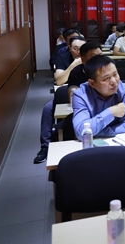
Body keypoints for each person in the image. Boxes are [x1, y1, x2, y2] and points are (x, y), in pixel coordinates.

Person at [34, 35, 88, 163]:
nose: (79, 52)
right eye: (75, 48)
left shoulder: (90, 58)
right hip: (66, 91)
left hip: (87, 93)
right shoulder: (63, 58)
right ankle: (45, 146)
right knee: (48, 108)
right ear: (69, 47)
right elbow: (59, 81)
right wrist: (73, 65)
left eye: (82, 48)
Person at [72, 55, 125, 139]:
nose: (114, 81)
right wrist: (111, 112)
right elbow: (81, 132)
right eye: (106, 78)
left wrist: (96, 132)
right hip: (91, 144)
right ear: (92, 83)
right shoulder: (80, 95)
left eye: (115, 74)